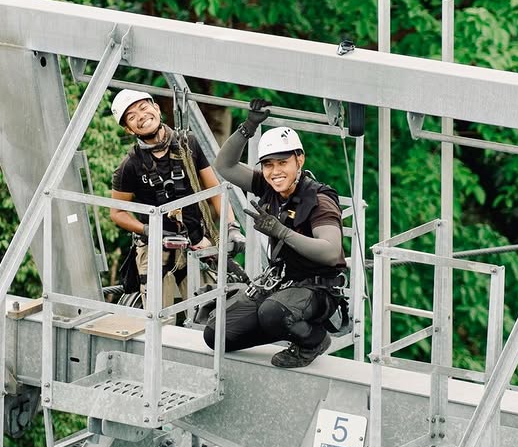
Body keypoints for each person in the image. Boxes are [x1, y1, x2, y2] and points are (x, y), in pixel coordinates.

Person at [203, 98, 348, 368]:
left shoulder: (318, 200)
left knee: (272, 312)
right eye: (268, 165)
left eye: (282, 163)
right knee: (217, 334)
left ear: (299, 160)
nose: (275, 171)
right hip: (281, 284)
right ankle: (278, 319)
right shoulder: (269, 187)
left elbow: (329, 253)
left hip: (317, 290)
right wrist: (248, 126)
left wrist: (281, 231)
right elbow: (224, 166)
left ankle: (314, 340)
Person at [109, 89, 233, 317]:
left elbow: (216, 191)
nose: (141, 116)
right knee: (159, 318)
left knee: (210, 314)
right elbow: (117, 213)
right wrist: (149, 230)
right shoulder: (130, 166)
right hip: (155, 249)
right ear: (128, 128)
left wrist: (231, 228)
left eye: (144, 108)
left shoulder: (188, 145)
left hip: (195, 243)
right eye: (132, 116)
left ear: (156, 108)